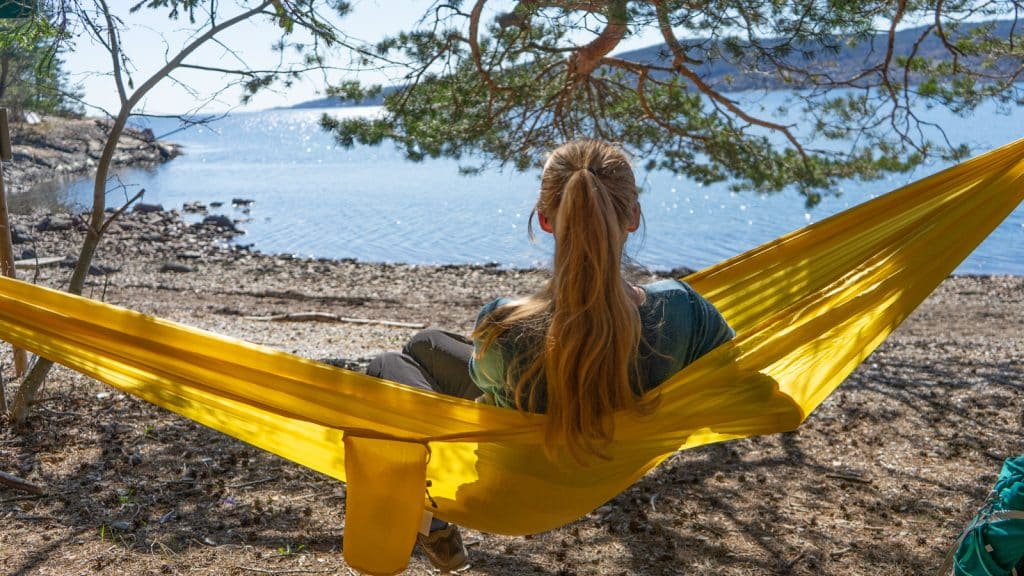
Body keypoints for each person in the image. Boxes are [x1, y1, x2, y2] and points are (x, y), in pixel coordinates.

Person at [366, 139, 735, 571]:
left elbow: (485, 376)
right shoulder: (684, 310)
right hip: (603, 474)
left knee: (387, 367)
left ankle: (431, 520)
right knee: (426, 342)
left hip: (507, 491)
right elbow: (739, 375)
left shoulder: (503, 324)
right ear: (633, 216)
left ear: (544, 220)